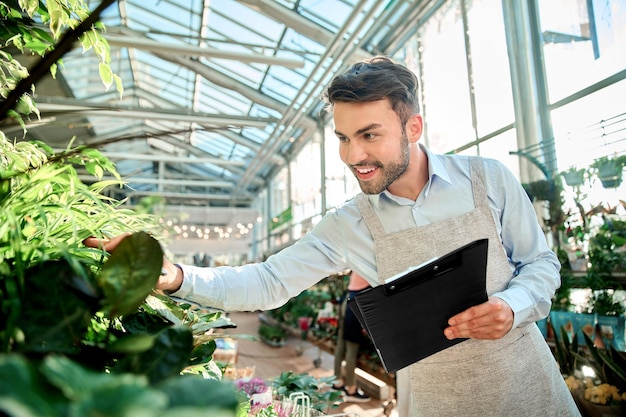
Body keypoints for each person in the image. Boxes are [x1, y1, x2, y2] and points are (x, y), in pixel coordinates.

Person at [86, 56, 581, 416]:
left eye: (369, 135)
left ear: (413, 126)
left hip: (529, 393)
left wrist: (513, 306)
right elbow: (267, 282)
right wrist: (172, 276)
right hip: (433, 404)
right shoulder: (350, 222)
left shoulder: (488, 179)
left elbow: (541, 265)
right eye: (343, 138)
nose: (352, 156)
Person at [332, 271, 371, 403]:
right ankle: (351, 389)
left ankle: (337, 382)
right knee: (351, 348)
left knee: (341, 344)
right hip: (357, 302)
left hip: (348, 298)